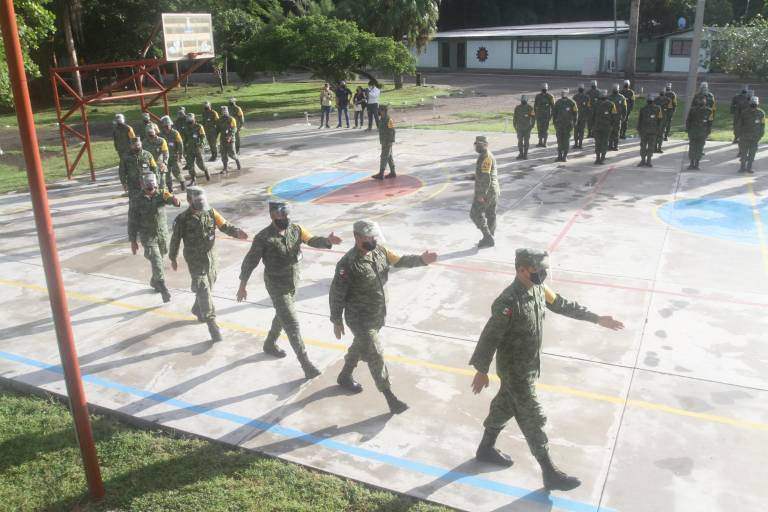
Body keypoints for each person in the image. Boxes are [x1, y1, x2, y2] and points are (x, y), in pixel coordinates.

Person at [470, 248, 624, 491]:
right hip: (515, 372)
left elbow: (562, 304)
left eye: (544, 270)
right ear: (521, 270)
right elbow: (490, 337)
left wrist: (596, 318)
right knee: (534, 418)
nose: (543, 274)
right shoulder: (508, 302)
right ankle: (549, 472)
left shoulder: (540, 289)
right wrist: (481, 369)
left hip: (529, 367)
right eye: (538, 270)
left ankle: (485, 448)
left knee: (504, 407)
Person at [329, 220, 438, 414]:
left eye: (373, 236)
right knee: (375, 353)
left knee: (361, 346)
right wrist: (336, 319)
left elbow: (400, 260)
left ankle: (344, 376)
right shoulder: (347, 264)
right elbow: (337, 293)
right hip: (359, 318)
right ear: (357, 237)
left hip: (377, 315)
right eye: (368, 237)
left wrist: (421, 260)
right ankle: (390, 398)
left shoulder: (380, 251)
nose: (372, 239)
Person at [237, 202, 342, 378]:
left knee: (282, 315)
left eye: (287, 213)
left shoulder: (296, 229)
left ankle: (269, 344)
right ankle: (305, 363)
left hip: (293, 282)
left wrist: (327, 241)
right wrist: (242, 286)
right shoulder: (263, 237)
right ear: (272, 216)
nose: (285, 217)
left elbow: (311, 240)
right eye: (281, 214)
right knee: (292, 323)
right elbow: (250, 262)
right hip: (276, 285)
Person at [169, 186, 248, 342]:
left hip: (211, 258)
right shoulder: (181, 219)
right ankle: (212, 324)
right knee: (203, 288)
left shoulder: (211, 213)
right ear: (189, 200)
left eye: (202, 201)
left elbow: (225, 226)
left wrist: (237, 232)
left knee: (209, 285)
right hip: (194, 260)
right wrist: (173, 257)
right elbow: (175, 240)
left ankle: (197, 308)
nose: (200, 203)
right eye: (197, 201)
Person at [129, 172, 181, 302]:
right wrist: (133, 240)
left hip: (162, 234)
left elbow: (173, 200)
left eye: (153, 188)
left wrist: (176, 201)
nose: (152, 191)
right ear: (143, 186)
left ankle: (154, 281)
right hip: (147, 236)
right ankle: (163, 288)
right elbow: (132, 221)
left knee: (160, 257)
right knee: (157, 260)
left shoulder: (161, 193)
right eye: (149, 189)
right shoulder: (136, 200)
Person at [470, 136, 499, 248]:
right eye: (476, 144)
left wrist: (481, 195)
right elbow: (484, 173)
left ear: (486, 145)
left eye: (480, 144)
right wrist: (475, 176)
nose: (477, 146)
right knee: (491, 214)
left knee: (475, 213)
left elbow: (486, 177)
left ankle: (487, 237)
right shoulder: (485, 155)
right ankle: (490, 236)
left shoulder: (486, 157)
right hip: (494, 190)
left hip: (487, 191)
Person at [119, 137, 157, 205]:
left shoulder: (148, 155)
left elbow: (154, 168)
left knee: (149, 203)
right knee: (134, 203)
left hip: (147, 183)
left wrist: (156, 182)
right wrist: (124, 183)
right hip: (133, 184)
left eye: (138, 145)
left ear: (141, 144)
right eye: (134, 145)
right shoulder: (125, 156)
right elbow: (122, 171)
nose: (137, 146)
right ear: (131, 145)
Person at [738, 96, 765, 174]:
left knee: (752, 154)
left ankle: (749, 168)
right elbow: (740, 125)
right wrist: (740, 136)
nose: (753, 105)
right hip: (744, 137)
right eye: (752, 104)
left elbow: (762, 126)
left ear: (757, 104)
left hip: (755, 138)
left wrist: (760, 136)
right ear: (750, 104)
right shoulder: (744, 112)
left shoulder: (761, 113)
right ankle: (742, 167)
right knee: (743, 154)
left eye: (755, 104)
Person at [685, 96, 713, 170]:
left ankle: (695, 164)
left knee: (698, 148)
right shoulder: (693, 110)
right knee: (695, 148)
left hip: (700, 133)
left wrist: (707, 132)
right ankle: (692, 163)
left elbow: (710, 123)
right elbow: (688, 121)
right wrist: (688, 130)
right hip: (695, 133)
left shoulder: (709, 111)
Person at [182, 113, 209, 185]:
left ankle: (205, 170)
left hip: (197, 148)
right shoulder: (185, 128)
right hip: (189, 149)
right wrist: (183, 149)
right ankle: (193, 179)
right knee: (190, 165)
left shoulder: (199, 127)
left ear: (194, 119)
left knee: (200, 165)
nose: (189, 121)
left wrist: (201, 144)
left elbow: (203, 136)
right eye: (188, 120)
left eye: (191, 119)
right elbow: (184, 139)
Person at [637, 94, 663, 168]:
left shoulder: (644, 109)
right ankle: (646, 161)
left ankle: (645, 161)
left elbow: (639, 120)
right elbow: (660, 120)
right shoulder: (657, 108)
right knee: (648, 147)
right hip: (650, 131)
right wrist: (658, 130)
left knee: (645, 146)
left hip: (647, 131)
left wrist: (639, 129)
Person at [160, 115, 185, 192]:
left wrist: (180, 154)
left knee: (176, 172)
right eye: (165, 126)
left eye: (168, 126)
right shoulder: (161, 134)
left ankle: (182, 182)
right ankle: (170, 189)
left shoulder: (175, 133)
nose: (166, 127)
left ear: (170, 125)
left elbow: (180, 144)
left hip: (174, 156)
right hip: (165, 158)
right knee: (166, 174)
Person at [592, 90, 617, 165]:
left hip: (598, 127)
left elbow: (592, 116)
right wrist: (611, 125)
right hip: (606, 127)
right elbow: (614, 117)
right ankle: (601, 158)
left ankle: (598, 158)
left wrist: (593, 126)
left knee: (598, 143)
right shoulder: (611, 104)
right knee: (604, 142)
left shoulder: (596, 104)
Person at [553, 88, 578, 162]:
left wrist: (574, 123)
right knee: (559, 141)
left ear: (567, 93)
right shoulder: (558, 102)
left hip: (568, 126)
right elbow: (554, 114)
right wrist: (555, 123)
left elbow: (576, 114)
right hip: (559, 125)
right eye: (562, 93)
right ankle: (559, 156)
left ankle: (564, 157)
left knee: (566, 141)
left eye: (564, 93)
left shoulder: (572, 102)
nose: (563, 94)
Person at [372, 105, 396, 180]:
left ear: (383, 111)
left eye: (380, 110)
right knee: (389, 157)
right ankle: (393, 172)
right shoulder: (381, 119)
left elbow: (392, 131)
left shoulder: (388, 119)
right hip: (383, 141)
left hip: (387, 141)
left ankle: (381, 173)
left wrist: (391, 141)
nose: (379, 112)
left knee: (384, 156)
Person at [143, 125, 169, 192]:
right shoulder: (144, 142)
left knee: (162, 184)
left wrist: (165, 162)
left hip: (160, 165)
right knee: (152, 185)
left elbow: (165, 153)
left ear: (155, 132)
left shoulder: (161, 141)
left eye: (152, 133)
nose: (150, 135)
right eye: (149, 133)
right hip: (149, 166)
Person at [217, 106, 241, 172]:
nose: (224, 112)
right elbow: (218, 129)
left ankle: (237, 160)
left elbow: (234, 129)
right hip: (223, 139)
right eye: (223, 111)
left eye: (225, 111)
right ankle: (225, 168)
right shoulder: (220, 120)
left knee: (231, 154)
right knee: (223, 154)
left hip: (230, 139)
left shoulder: (231, 119)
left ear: (227, 111)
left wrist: (230, 136)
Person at [513, 95, 535, 160]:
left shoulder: (530, 107)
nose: (523, 100)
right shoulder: (517, 107)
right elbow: (515, 117)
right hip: (519, 128)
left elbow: (533, 117)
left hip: (527, 128)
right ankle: (521, 154)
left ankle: (525, 154)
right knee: (520, 142)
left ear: (527, 100)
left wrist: (532, 125)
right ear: (521, 100)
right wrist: (514, 125)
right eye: (522, 99)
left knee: (526, 142)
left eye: (525, 99)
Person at [534, 83, 555, 147]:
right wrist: (535, 114)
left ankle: (545, 143)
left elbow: (553, 107)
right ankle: (540, 142)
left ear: (547, 89)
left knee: (545, 129)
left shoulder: (550, 96)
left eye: (545, 89)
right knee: (539, 129)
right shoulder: (538, 96)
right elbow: (535, 106)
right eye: (543, 89)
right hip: (539, 116)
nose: (544, 90)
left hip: (546, 116)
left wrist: (551, 116)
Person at [607, 84, 627, 151]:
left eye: (616, 90)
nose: (615, 91)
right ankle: (610, 145)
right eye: (614, 90)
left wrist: (624, 116)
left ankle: (615, 146)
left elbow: (625, 108)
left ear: (618, 90)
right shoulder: (609, 97)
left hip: (618, 118)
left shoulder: (622, 98)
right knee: (610, 131)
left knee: (617, 132)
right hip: (610, 118)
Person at [572, 85, 590, 149]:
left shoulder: (575, 97)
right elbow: (588, 107)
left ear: (578, 90)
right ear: (583, 90)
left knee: (576, 130)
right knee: (581, 130)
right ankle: (580, 144)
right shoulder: (587, 97)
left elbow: (572, 107)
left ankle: (576, 144)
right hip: (583, 116)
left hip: (576, 116)